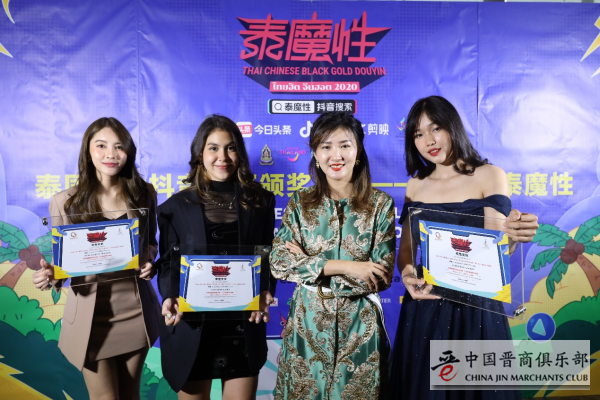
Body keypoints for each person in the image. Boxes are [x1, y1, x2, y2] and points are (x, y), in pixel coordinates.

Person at [390, 96, 539, 399]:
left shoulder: (489, 175)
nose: (429, 140)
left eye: (436, 128)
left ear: (453, 127)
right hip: (426, 302)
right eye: (418, 134)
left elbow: (498, 243)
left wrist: (514, 234)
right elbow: (406, 250)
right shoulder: (415, 185)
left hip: (476, 304)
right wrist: (407, 276)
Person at [32, 117, 161, 400]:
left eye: (119, 146)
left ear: (128, 151)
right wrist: (52, 274)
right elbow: (63, 262)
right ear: (88, 151)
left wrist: (149, 261)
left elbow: (151, 243)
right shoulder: (64, 202)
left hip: (135, 311)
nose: (110, 154)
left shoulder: (144, 193)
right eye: (101, 145)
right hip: (90, 319)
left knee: (131, 395)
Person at [270, 111, 396, 400]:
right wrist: (348, 266)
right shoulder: (300, 203)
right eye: (326, 146)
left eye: (344, 145)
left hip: (360, 329)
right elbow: (279, 263)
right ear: (316, 154)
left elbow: (379, 276)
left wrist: (308, 267)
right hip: (307, 327)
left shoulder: (380, 205)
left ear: (358, 151)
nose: (335, 155)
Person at [156, 114, 276, 400]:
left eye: (230, 147)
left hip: (242, 323)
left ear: (240, 153)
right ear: (200, 154)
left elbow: (265, 252)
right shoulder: (176, 206)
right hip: (192, 323)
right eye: (213, 148)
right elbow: (170, 260)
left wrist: (265, 289)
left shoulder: (260, 201)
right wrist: (170, 295)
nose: (222, 157)